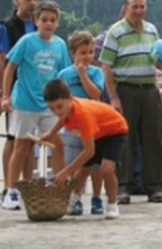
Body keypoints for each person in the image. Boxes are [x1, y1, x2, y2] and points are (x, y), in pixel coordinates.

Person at [100, 0, 162, 205]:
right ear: (126, 8)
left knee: (153, 137)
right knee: (124, 139)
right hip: (126, 90)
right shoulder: (116, 32)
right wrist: (113, 97)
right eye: (134, 7)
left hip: (149, 89)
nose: (139, 11)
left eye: (142, 7)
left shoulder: (151, 30)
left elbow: (158, 58)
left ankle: (155, 187)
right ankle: (123, 188)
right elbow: (106, 66)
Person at [0, 0, 71, 210]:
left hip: (49, 105)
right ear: (36, 21)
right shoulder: (26, 41)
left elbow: (63, 74)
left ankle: (56, 185)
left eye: (52, 20)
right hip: (24, 102)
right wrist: (5, 96)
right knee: (20, 146)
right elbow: (10, 67)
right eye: (44, 20)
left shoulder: (60, 45)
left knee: (57, 143)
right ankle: (11, 191)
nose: (48, 24)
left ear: (57, 23)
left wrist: (67, 101)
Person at [40, 79, 128, 219]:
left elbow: (89, 151)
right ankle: (74, 200)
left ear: (69, 98)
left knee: (106, 169)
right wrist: (51, 133)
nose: (56, 112)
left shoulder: (82, 115)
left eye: (59, 106)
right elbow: (62, 118)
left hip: (115, 131)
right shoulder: (67, 109)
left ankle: (112, 203)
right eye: (52, 108)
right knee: (81, 173)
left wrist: (67, 171)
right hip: (97, 132)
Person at [0, 0, 38, 198]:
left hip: (35, 92)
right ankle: (8, 185)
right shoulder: (7, 27)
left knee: (31, 141)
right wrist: (2, 93)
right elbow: (1, 62)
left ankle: (28, 185)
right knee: (13, 138)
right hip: (15, 92)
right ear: (16, 0)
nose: (32, 3)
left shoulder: (39, 26)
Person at [57, 30, 106, 215]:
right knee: (75, 165)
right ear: (73, 54)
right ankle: (75, 197)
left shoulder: (96, 72)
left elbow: (95, 94)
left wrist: (83, 75)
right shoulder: (63, 75)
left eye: (90, 52)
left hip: (94, 126)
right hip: (72, 127)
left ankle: (96, 197)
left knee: (96, 166)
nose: (87, 57)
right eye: (83, 53)